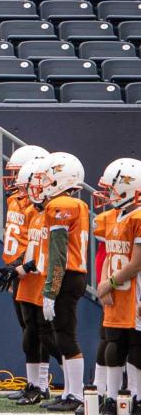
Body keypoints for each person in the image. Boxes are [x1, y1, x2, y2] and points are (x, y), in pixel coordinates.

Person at [29, 152, 88, 412]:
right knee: (61, 335)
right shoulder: (75, 205)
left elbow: (58, 253)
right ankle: (68, 391)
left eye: (48, 178)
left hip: (65, 275)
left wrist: (51, 290)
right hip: (71, 274)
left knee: (65, 336)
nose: (43, 184)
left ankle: (76, 394)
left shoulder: (60, 206)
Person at [0, 145, 49, 401]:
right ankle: (35, 384)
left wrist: (19, 265)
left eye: (19, 174)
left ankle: (42, 384)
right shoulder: (14, 200)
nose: (14, 180)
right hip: (17, 272)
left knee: (39, 330)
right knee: (26, 328)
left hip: (32, 272)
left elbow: (35, 243)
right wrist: (11, 270)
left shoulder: (38, 207)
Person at [93, 159, 141, 414]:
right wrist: (104, 285)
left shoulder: (139, 217)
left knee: (136, 344)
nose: (107, 194)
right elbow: (109, 256)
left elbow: (136, 263)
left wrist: (109, 283)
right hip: (115, 290)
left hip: (135, 291)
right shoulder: (110, 217)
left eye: (111, 188)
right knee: (113, 343)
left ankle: (135, 396)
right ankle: (111, 397)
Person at [11, 158, 57, 406]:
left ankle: (71, 386)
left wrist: (28, 265)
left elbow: (56, 251)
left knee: (51, 337)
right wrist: (19, 265)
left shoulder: (58, 211)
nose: (31, 191)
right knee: (30, 332)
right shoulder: (32, 212)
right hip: (29, 279)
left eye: (35, 185)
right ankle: (36, 385)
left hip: (46, 280)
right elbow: (32, 246)